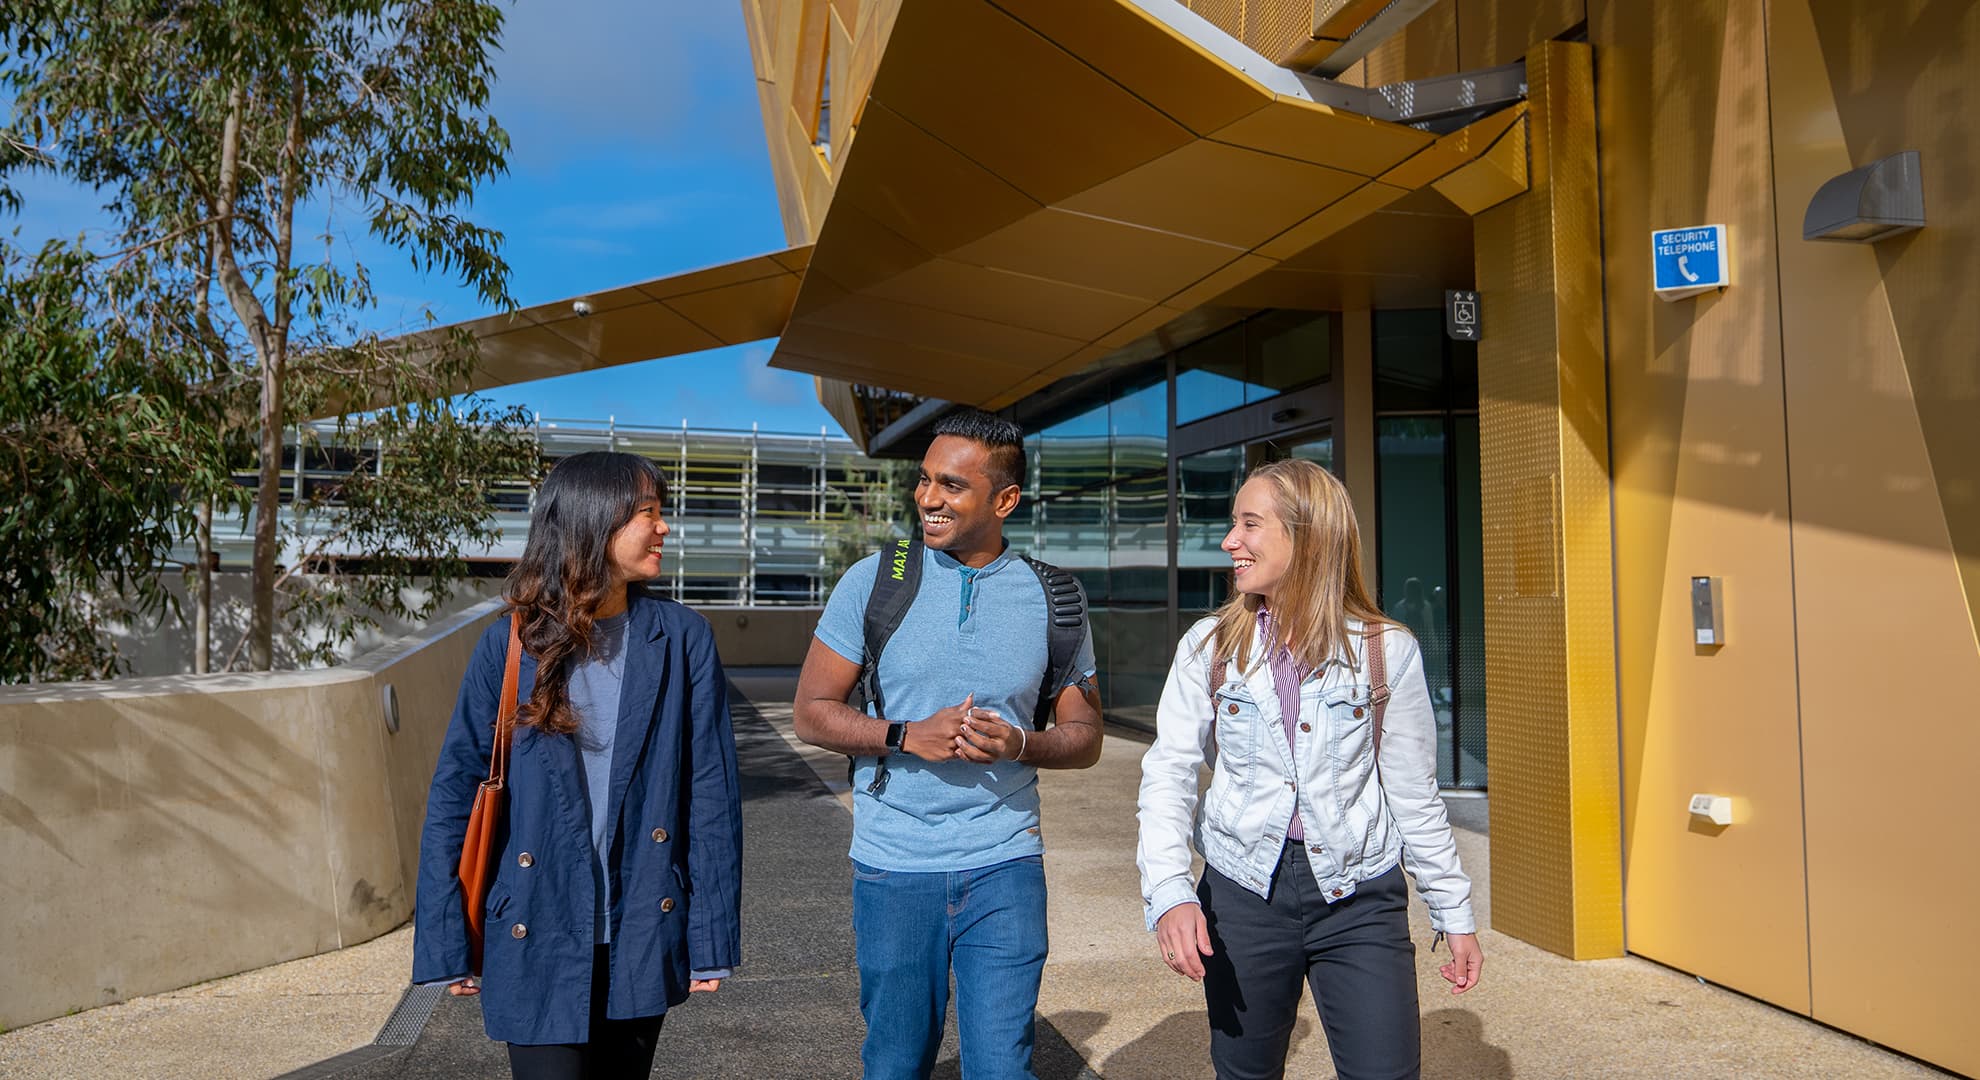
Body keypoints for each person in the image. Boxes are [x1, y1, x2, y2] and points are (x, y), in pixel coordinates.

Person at [1136, 457, 1482, 1080]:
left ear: (1309, 536)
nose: (1229, 541)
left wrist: (1451, 911)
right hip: (1243, 893)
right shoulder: (1208, 647)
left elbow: (1413, 794)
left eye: (1249, 524)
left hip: (1360, 897)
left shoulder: (1385, 650)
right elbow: (1169, 774)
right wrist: (1169, 891)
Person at [792, 409, 1105, 1080]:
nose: (928, 499)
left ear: (1005, 500)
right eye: (925, 480)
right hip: (894, 865)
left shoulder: (1056, 599)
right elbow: (812, 714)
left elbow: (1084, 738)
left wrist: (1021, 742)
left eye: (952, 486)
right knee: (897, 1063)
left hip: (1007, 864)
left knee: (1002, 1066)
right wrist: (904, 736)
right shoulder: (875, 581)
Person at [413, 451, 742, 1080]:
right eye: (648, 513)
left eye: (661, 512)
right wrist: (444, 937)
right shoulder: (510, 642)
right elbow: (457, 790)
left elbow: (710, 797)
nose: (664, 527)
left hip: (641, 923)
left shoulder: (681, 638)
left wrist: (712, 939)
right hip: (533, 921)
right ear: (594, 522)